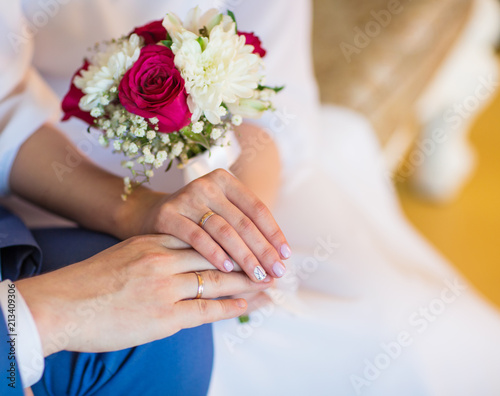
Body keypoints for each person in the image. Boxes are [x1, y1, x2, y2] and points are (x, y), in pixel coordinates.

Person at [2, 0, 500, 395]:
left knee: (411, 328)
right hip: (59, 156)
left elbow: (274, 103)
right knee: (181, 328)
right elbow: (7, 104)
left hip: (237, 156)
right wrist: (134, 208)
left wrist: (243, 226)